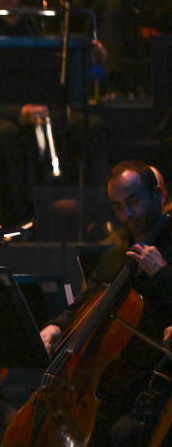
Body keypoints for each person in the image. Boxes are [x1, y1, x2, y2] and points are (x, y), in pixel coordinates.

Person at [0, 0, 108, 228]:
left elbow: (53, 71)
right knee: (5, 135)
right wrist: (19, 111)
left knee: (92, 126)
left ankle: (96, 217)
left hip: (40, 111)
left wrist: (87, 57)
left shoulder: (31, 25)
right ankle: (23, 221)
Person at [36, 161, 172, 446]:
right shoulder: (115, 257)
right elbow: (86, 303)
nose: (128, 214)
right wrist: (55, 326)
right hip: (110, 386)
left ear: (158, 194)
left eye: (133, 201)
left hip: (157, 384)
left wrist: (162, 274)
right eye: (118, 206)